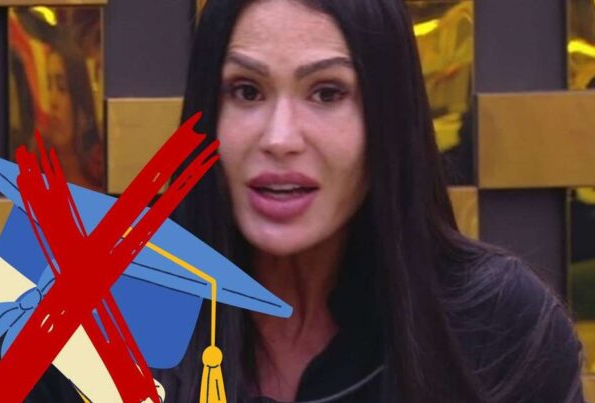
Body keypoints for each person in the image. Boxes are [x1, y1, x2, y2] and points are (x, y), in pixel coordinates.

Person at [152, 0, 585, 402]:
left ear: (388, 116)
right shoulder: (124, 321)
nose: (279, 139)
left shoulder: (500, 329)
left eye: (327, 93)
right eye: (247, 91)